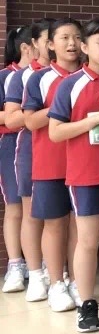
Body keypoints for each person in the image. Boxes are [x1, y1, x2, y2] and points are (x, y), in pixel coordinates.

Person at [48, 18, 99, 333]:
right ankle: (86, 303)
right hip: (86, 173)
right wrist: (94, 121)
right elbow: (55, 132)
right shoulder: (71, 84)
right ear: (84, 47)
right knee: (89, 240)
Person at [23, 18, 84, 313]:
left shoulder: (94, 76)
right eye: (64, 38)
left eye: (77, 37)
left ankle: (77, 280)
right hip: (51, 162)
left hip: (86, 163)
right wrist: (60, 108)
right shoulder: (40, 78)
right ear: (50, 44)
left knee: (81, 227)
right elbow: (30, 120)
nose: (72, 43)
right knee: (55, 224)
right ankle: (56, 282)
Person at [5, 19, 53, 302]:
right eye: (51, 39)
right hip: (30, 149)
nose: (65, 44)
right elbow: (12, 119)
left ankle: (56, 272)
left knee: (62, 218)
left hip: (65, 150)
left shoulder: (74, 75)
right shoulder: (22, 76)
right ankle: (33, 273)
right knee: (31, 212)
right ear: (34, 44)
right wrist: (47, 111)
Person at [0, 26, 34, 293]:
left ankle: (39, 262)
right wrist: (28, 113)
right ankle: (15, 264)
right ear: (26, 47)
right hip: (11, 143)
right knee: (14, 206)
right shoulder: (6, 76)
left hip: (39, 142)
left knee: (39, 208)